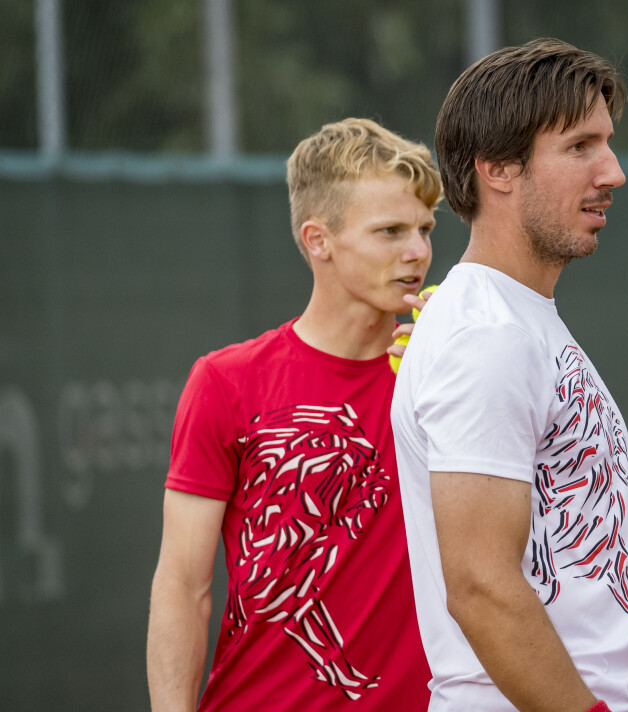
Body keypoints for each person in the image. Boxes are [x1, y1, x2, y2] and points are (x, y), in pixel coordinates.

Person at [390, 38, 628, 712]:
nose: (613, 171)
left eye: (608, 143)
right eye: (581, 147)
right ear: (499, 170)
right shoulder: (487, 335)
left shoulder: (521, 320)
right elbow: (482, 585)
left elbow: (561, 563)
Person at [147, 118, 440, 711]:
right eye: (390, 231)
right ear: (318, 240)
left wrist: (459, 361)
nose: (418, 252)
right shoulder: (225, 382)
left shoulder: (445, 377)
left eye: (425, 229)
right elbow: (183, 586)